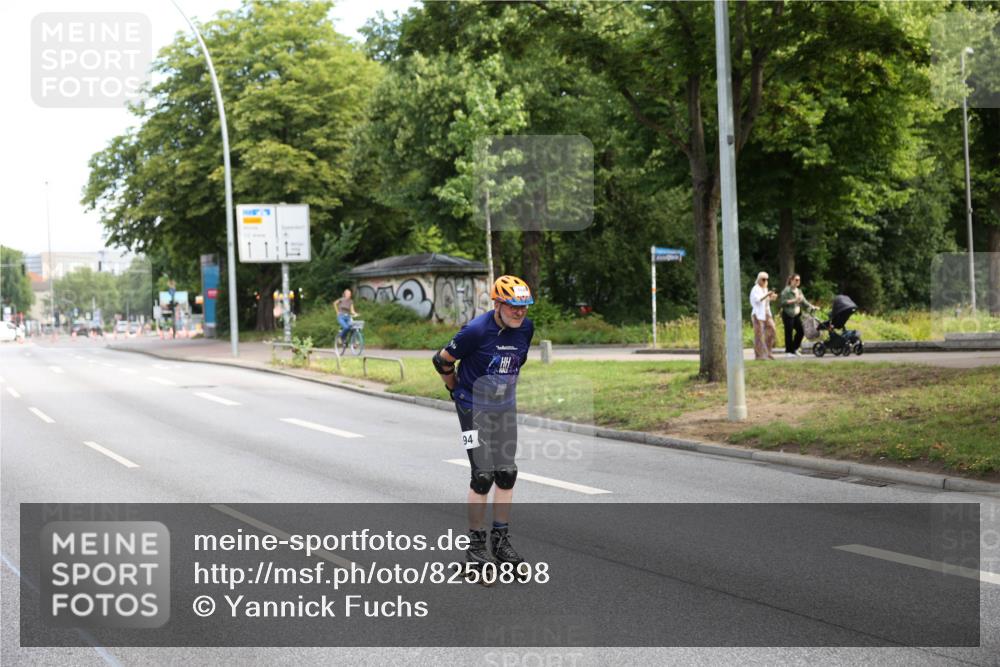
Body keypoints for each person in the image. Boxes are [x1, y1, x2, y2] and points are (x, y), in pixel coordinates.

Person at [432, 275, 535, 579]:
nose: (520, 312)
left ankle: (500, 542)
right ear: (498, 303)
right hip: (472, 405)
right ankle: (475, 547)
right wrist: (454, 390)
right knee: (483, 475)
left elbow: (516, 363)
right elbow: (442, 360)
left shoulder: (526, 329)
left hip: (504, 407)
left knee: (507, 472)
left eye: (524, 307)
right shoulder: (476, 330)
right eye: (514, 306)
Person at [779, 274, 815, 357]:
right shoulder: (786, 291)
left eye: (799, 280)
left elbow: (804, 302)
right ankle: (788, 352)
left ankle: (794, 349)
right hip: (788, 314)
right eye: (796, 280)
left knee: (801, 331)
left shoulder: (799, 291)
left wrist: (812, 306)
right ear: (791, 280)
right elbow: (783, 302)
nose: (797, 281)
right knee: (789, 333)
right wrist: (794, 300)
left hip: (796, 315)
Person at [749, 271, 778, 360]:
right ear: (759, 280)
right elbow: (757, 300)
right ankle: (759, 355)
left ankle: (768, 352)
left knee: (772, 330)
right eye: (763, 279)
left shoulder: (765, 289)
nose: (765, 281)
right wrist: (767, 295)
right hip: (758, 314)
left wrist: (771, 297)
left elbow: (766, 300)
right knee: (759, 335)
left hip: (766, 313)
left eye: (767, 279)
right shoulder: (755, 289)